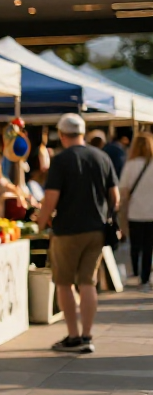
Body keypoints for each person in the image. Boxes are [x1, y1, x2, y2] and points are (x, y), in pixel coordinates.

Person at [36, 113, 118, 354]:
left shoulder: (61, 161)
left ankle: (73, 336)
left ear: (62, 135)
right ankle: (87, 335)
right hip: (96, 229)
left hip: (67, 230)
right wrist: (106, 212)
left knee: (64, 283)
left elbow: (51, 198)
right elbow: (116, 196)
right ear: (83, 132)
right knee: (88, 282)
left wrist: (41, 222)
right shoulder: (102, 157)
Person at [119, 133, 153, 291]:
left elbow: (123, 190)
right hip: (151, 212)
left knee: (135, 243)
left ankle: (136, 272)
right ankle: (145, 276)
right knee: (149, 246)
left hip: (135, 211)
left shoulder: (130, 165)